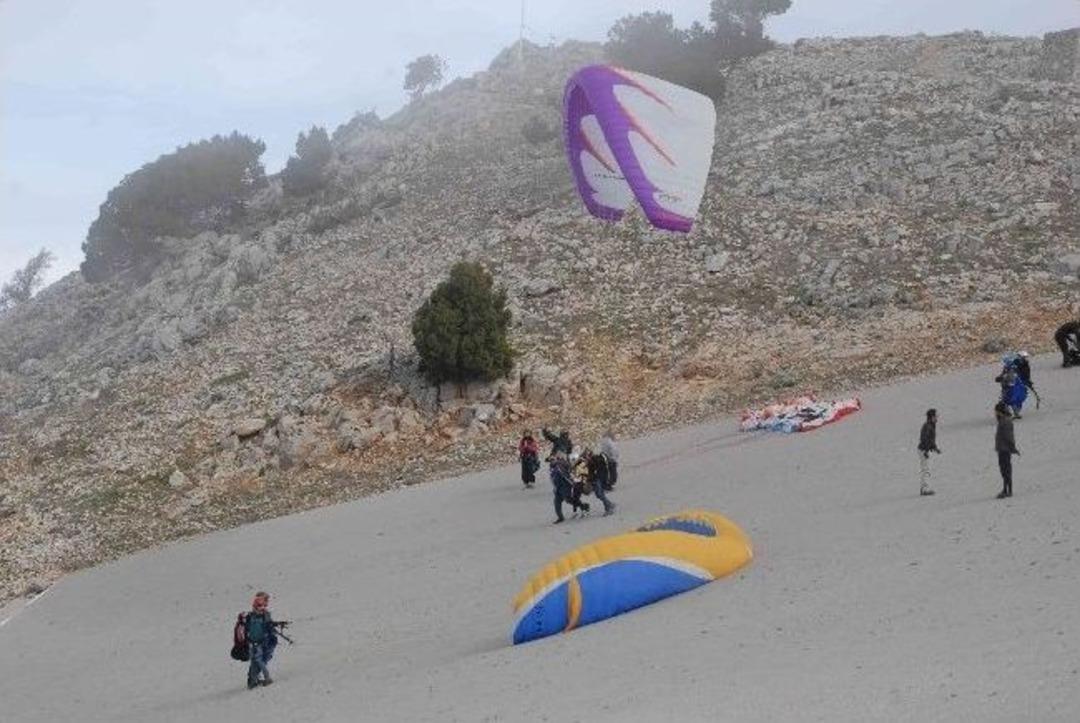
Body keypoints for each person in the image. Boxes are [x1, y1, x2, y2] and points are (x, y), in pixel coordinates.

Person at [243, 592, 278, 689]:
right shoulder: (253, 615)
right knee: (256, 661)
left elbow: (268, 628)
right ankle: (253, 680)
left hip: (259, 642)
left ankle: (263, 678)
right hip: (253, 642)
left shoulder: (263, 615)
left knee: (258, 661)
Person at [994, 401, 1019, 499]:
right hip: (1002, 449)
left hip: (1005, 449)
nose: (995, 413)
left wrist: (1012, 447)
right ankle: (1006, 489)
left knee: (1006, 470)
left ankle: (1008, 490)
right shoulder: (1003, 420)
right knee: (1004, 470)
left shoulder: (1005, 422)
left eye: (996, 411)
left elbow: (1009, 436)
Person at [917, 408, 941, 496]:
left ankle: (925, 488)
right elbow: (925, 439)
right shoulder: (928, 426)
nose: (937, 418)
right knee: (926, 470)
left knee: (927, 469)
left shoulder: (931, 425)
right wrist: (926, 451)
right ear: (931, 417)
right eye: (936, 416)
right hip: (924, 450)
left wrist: (935, 448)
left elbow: (931, 439)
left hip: (925, 449)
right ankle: (924, 489)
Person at [584, 448, 616, 515]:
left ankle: (609, 508)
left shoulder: (593, 461)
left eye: (586, 456)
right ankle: (610, 504)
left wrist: (589, 479)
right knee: (600, 494)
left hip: (596, 480)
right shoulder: (595, 459)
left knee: (600, 494)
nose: (585, 458)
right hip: (597, 479)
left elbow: (593, 472)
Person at [549, 452, 575, 524]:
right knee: (557, 503)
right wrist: (555, 487)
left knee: (569, 500)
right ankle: (560, 517)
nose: (551, 461)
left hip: (564, 486)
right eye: (550, 460)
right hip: (558, 488)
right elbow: (553, 479)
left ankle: (583, 506)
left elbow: (565, 476)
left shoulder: (559, 467)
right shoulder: (552, 468)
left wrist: (572, 484)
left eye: (552, 460)